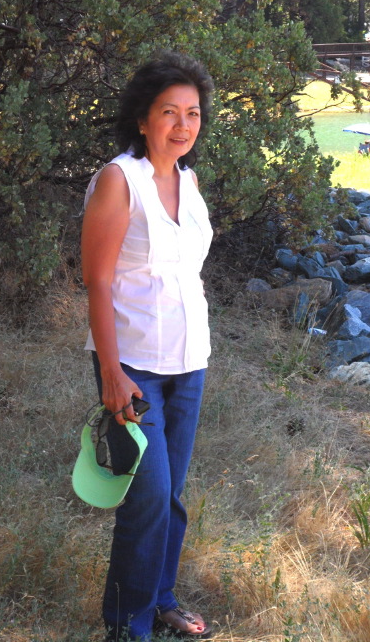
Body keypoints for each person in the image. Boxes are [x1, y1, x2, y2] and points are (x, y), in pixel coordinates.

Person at [81, 51, 215, 642]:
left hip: (190, 363)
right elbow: (99, 280)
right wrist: (111, 372)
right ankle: (125, 624)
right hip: (133, 366)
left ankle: (161, 599)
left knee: (174, 495)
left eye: (192, 113)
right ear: (143, 118)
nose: (182, 125)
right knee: (148, 495)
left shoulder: (187, 181)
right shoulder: (119, 179)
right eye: (169, 112)